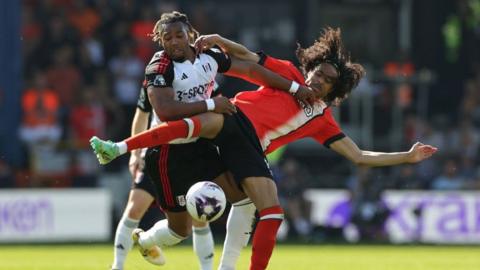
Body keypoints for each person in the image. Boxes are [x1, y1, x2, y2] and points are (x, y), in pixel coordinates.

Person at [91, 28, 438, 270]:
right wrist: (220, 40)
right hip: (227, 122)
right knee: (207, 125)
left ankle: (153, 241)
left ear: (336, 89)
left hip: (244, 152)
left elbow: (359, 156)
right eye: (317, 71)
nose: (316, 78)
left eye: (326, 78)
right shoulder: (287, 75)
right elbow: (248, 57)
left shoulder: (323, 121)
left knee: (246, 209)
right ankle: (121, 147)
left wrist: (406, 156)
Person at [108, 11, 315, 270]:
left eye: (178, 35)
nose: (173, 42)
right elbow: (164, 111)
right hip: (166, 153)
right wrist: (211, 103)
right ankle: (146, 238)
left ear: (190, 35)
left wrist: (294, 88)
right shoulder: (159, 66)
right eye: (167, 38)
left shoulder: (209, 57)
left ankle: (225, 267)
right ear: (161, 41)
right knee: (178, 231)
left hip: (200, 144)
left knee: (244, 199)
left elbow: (250, 68)